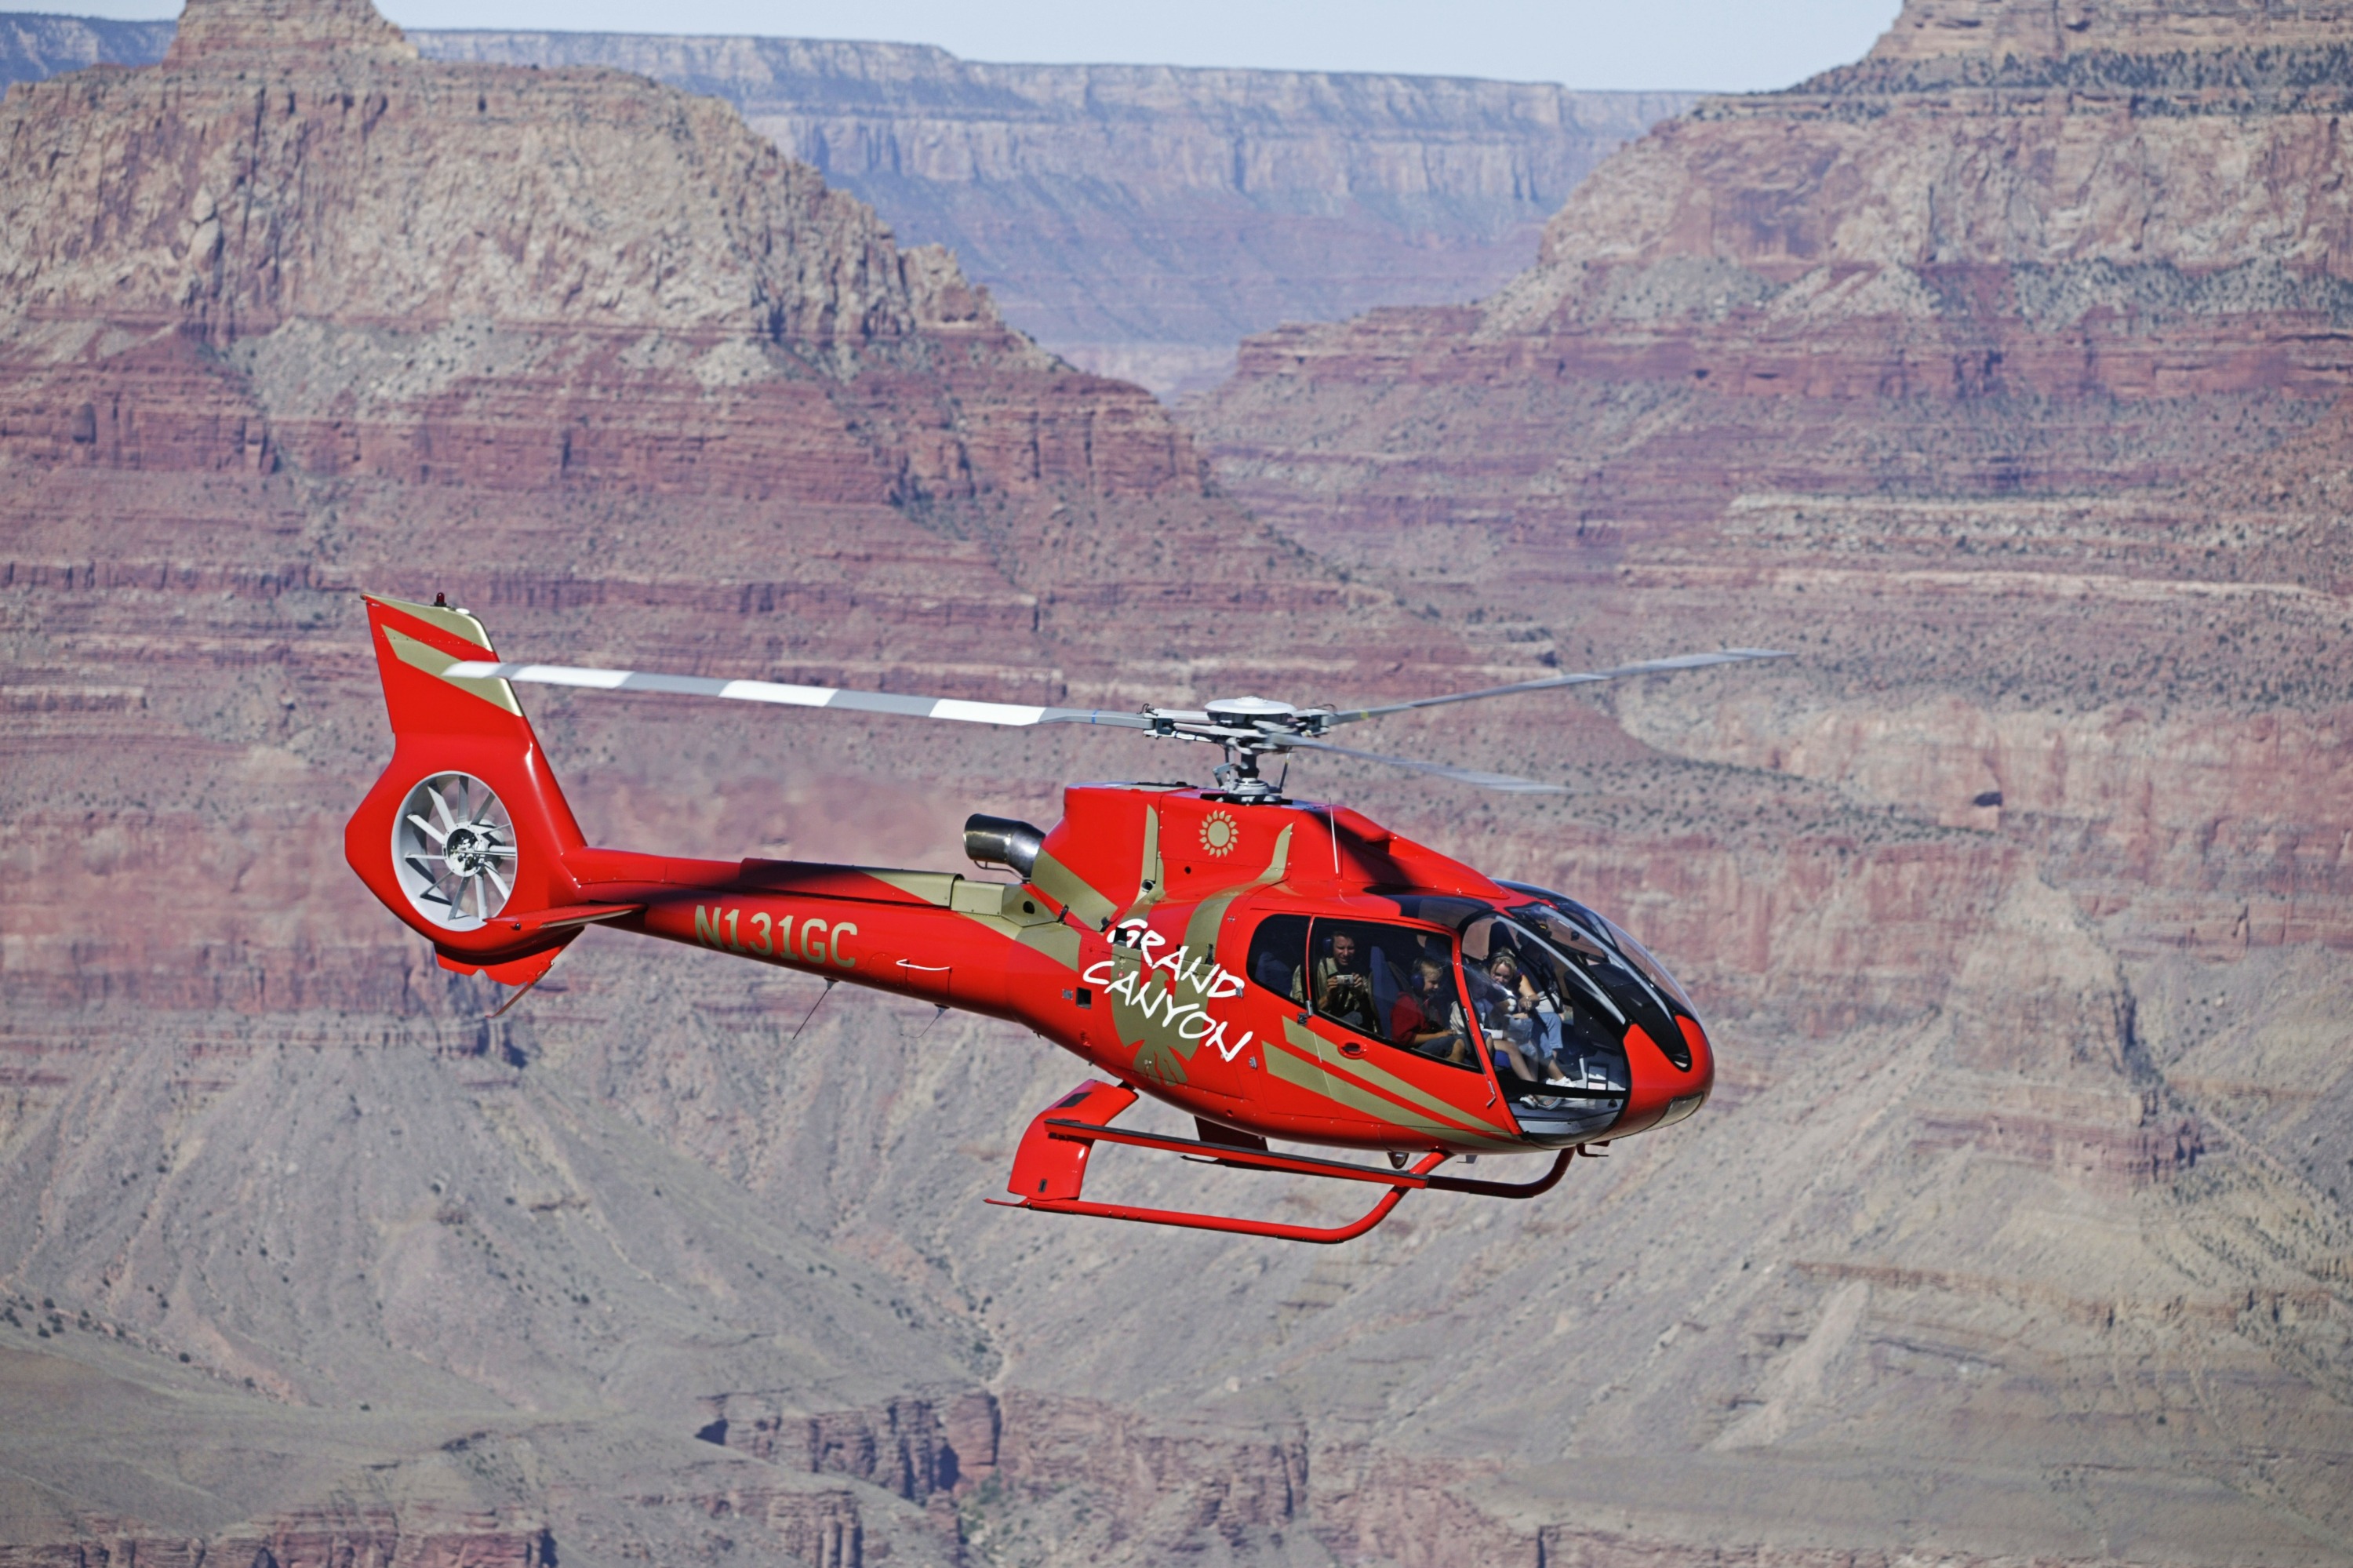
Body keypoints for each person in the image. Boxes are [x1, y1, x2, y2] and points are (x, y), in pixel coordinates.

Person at [1293, 927, 1378, 1035]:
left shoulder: (1359, 971)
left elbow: (1370, 1018)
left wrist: (1361, 995)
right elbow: (1300, 1019)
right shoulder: (1311, 971)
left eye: (1351, 948)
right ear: (1330, 948)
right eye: (1341, 948)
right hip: (1316, 1029)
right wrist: (1328, 998)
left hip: (1344, 1026)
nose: (1346, 954)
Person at [1391, 955, 1472, 1064]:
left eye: (1438, 982)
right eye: (1433, 982)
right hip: (1412, 1052)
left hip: (1431, 1043)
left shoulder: (1430, 1002)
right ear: (1417, 981)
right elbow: (1403, 1039)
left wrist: (1442, 1032)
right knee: (1455, 1042)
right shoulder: (1407, 1003)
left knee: (1481, 1038)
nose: (1437, 986)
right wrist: (1437, 1036)